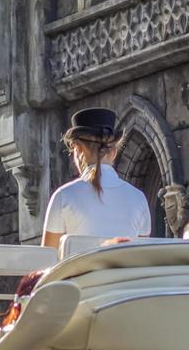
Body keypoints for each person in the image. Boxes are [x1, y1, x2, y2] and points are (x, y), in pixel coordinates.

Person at [42, 108, 152, 252]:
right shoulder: (139, 198)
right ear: (113, 152)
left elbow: (46, 259)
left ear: (79, 150)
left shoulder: (64, 196)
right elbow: (142, 256)